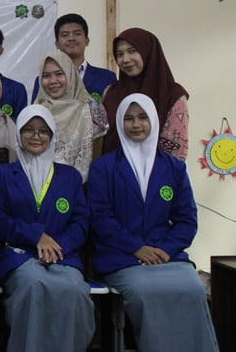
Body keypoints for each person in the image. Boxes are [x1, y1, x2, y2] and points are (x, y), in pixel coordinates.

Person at [87, 94, 218, 352]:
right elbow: (100, 218)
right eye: (129, 118)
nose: (136, 124)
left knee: (193, 287)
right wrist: (136, 248)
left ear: (154, 121)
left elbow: (186, 220)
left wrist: (165, 250)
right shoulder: (104, 167)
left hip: (166, 256)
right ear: (120, 122)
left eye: (143, 117)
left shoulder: (174, 168)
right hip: (121, 257)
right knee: (146, 290)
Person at [0, 105, 95, 352]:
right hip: (17, 255)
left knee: (74, 290)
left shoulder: (70, 176)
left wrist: (56, 247)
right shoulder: (2, 175)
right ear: (18, 134)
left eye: (43, 131)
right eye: (29, 130)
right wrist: (35, 236)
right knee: (33, 285)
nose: (36, 136)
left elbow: (80, 222)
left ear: (52, 135)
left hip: (62, 255)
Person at [102, 28, 189, 160]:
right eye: (119, 54)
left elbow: (176, 149)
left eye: (132, 51)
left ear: (148, 51)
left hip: (158, 171)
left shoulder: (172, 95)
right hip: (111, 170)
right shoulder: (111, 93)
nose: (125, 59)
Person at [34, 50, 109, 181]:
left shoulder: (91, 110)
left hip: (85, 185)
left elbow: (99, 153)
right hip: (41, 184)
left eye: (59, 74)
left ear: (70, 74)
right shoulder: (35, 112)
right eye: (46, 76)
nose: (53, 81)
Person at [30, 13, 117, 103]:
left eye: (77, 34)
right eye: (65, 35)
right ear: (57, 44)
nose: (71, 38)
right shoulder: (44, 80)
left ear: (87, 41)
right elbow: (37, 109)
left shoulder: (106, 77)